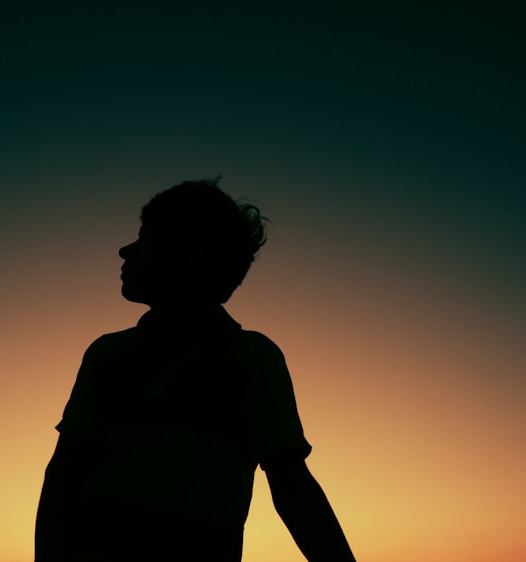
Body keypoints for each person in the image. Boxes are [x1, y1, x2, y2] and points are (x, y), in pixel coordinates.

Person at [35, 178, 355, 562]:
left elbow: (292, 486)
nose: (124, 250)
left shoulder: (251, 359)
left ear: (186, 257)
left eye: (145, 237)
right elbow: (64, 478)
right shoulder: (107, 354)